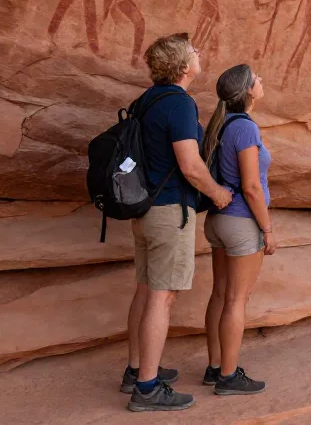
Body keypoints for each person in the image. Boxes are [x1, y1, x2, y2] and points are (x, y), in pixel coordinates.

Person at [124, 33, 234, 413]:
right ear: (183, 66)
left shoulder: (147, 100)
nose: (199, 54)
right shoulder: (180, 105)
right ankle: (147, 388)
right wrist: (218, 193)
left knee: (144, 288)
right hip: (169, 211)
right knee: (162, 295)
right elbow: (189, 165)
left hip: (143, 210)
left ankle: (136, 369)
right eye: (194, 53)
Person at [201, 64, 278, 396]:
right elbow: (251, 187)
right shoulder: (245, 128)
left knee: (220, 293)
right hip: (241, 222)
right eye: (258, 78)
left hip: (217, 221)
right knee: (236, 299)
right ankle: (229, 377)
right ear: (248, 91)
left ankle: (215, 367)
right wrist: (268, 229)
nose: (262, 81)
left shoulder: (222, 124)